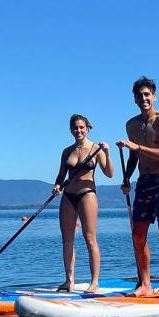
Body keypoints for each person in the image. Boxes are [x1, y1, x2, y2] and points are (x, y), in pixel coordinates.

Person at [117, 77, 159, 302]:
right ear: (134, 99)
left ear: (154, 96)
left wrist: (136, 146)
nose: (144, 98)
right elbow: (134, 156)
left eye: (147, 94)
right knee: (137, 235)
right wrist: (127, 177)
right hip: (143, 181)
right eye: (139, 95)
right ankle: (145, 284)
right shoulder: (132, 125)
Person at [52, 114, 114, 293]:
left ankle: (94, 282)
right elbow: (61, 175)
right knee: (67, 240)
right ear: (71, 130)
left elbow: (109, 173)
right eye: (75, 128)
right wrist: (57, 186)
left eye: (81, 127)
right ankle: (68, 280)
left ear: (87, 128)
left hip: (87, 195)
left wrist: (108, 153)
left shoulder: (96, 148)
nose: (78, 131)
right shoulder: (67, 151)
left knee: (90, 238)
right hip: (68, 196)